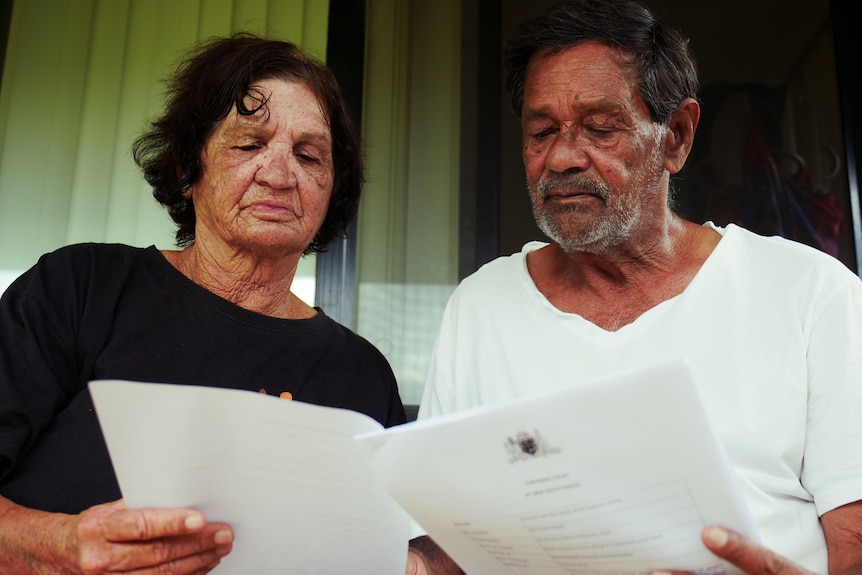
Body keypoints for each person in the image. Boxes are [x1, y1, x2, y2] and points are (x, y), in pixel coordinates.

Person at [405, 1, 862, 574]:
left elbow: (855, 541)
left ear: (676, 137)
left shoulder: (810, 294)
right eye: (541, 131)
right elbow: (451, 543)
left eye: (600, 128)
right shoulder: (482, 306)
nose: (563, 158)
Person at [0, 33, 406, 574]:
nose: (280, 174)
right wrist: (59, 546)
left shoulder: (363, 376)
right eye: (249, 145)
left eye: (309, 155)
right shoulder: (81, 288)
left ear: (332, 191)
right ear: (187, 171)